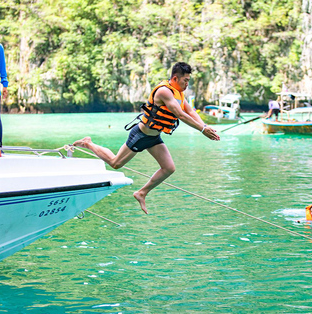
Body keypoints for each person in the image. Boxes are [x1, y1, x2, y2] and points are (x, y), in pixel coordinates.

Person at [73, 62, 220, 214]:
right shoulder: (164, 92)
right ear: (175, 78)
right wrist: (202, 129)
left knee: (169, 168)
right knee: (115, 163)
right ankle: (88, 143)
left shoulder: (179, 94)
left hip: (154, 137)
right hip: (140, 135)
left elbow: (190, 111)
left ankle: (141, 193)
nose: (187, 84)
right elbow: (180, 115)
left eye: (189, 80)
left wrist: (205, 125)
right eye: (185, 80)